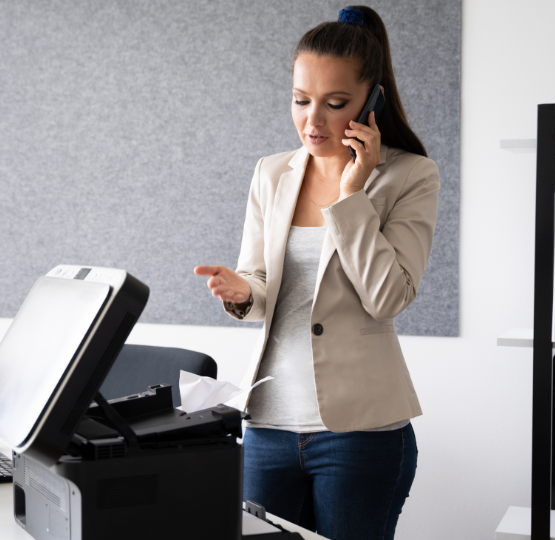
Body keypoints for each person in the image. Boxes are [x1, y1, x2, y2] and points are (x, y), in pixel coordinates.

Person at [193, 6, 439, 540]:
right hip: (268, 426)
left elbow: (388, 296)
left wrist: (353, 194)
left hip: (361, 435)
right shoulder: (272, 171)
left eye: (334, 104)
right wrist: (242, 292)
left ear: (372, 99)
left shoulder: (409, 176)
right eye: (301, 101)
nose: (312, 120)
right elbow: (261, 286)